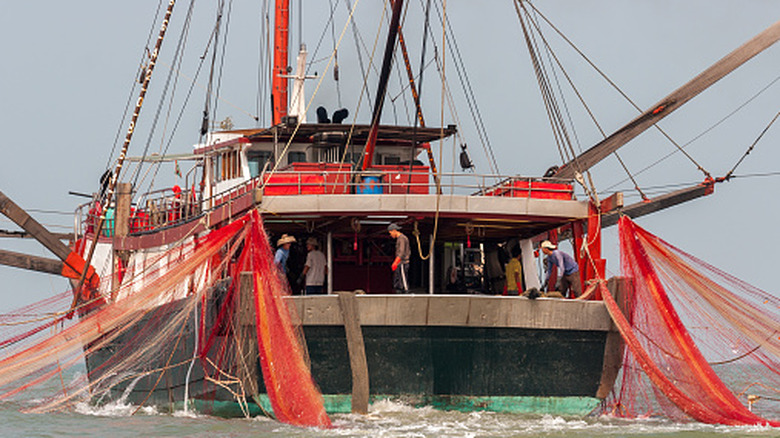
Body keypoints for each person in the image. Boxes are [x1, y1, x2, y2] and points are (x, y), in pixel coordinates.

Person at [387, 223, 410, 294]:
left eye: (391, 233)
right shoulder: (399, 239)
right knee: (398, 278)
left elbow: (401, 251)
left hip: (403, 262)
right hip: (400, 262)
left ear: (394, 230)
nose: (391, 235)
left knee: (403, 278)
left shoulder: (402, 238)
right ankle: (399, 290)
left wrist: (396, 262)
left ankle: (406, 290)